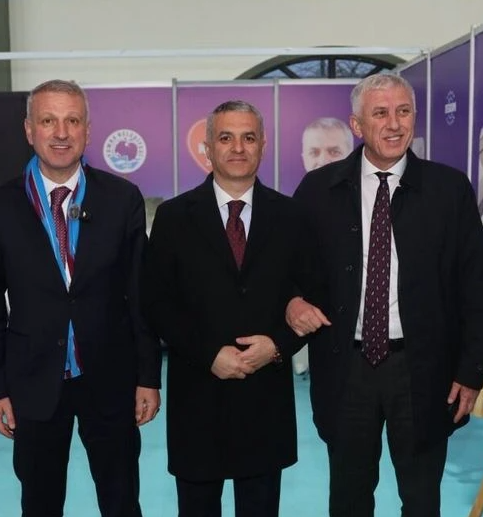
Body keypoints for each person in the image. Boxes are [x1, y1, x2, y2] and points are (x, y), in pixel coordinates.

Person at [286, 73, 483, 517]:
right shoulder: (318, 191)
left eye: (403, 112)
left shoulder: (449, 190)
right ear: (357, 124)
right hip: (346, 368)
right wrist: (292, 300)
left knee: (421, 500)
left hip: (423, 371)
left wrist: (472, 370)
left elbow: (477, 286)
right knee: (349, 497)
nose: (394, 124)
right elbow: (288, 269)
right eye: (380, 113)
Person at [0, 79, 162, 517]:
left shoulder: (122, 199)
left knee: (121, 503)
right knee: (40, 505)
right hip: (33, 383)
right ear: (29, 130)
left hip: (110, 380)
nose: (61, 132)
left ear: (88, 131)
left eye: (72, 121)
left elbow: (140, 296)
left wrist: (148, 376)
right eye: (48, 121)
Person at [142, 100, 312, 517]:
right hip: (197, 400)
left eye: (248, 137)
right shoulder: (173, 217)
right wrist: (208, 354)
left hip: (265, 400)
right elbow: (157, 302)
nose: (238, 147)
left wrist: (277, 346)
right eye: (226, 137)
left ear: (263, 145)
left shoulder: (291, 216)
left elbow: (311, 296)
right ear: (207, 147)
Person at [292, 117, 354, 376]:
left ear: (351, 152)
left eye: (334, 151)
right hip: (314, 328)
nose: (323, 160)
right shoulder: (295, 203)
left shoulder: (374, 200)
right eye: (314, 152)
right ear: (303, 157)